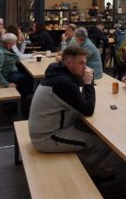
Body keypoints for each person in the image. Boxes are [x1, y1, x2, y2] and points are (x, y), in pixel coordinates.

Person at [28, 46, 113, 178]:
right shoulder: (63, 82)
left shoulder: (59, 73)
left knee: (87, 128)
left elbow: (78, 93)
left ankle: (86, 165)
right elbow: (87, 110)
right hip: (48, 137)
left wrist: (84, 80)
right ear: (69, 63)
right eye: (81, 63)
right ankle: (84, 175)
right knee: (105, 144)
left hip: (47, 129)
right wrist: (89, 83)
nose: (85, 67)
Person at [0, 33, 33, 101]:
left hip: (9, 71)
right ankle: (19, 102)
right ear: (9, 44)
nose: (14, 45)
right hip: (7, 76)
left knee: (26, 73)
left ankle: (22, 97)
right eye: (13, 43)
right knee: (29, 80)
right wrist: (6, 84)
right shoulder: (0, 53)